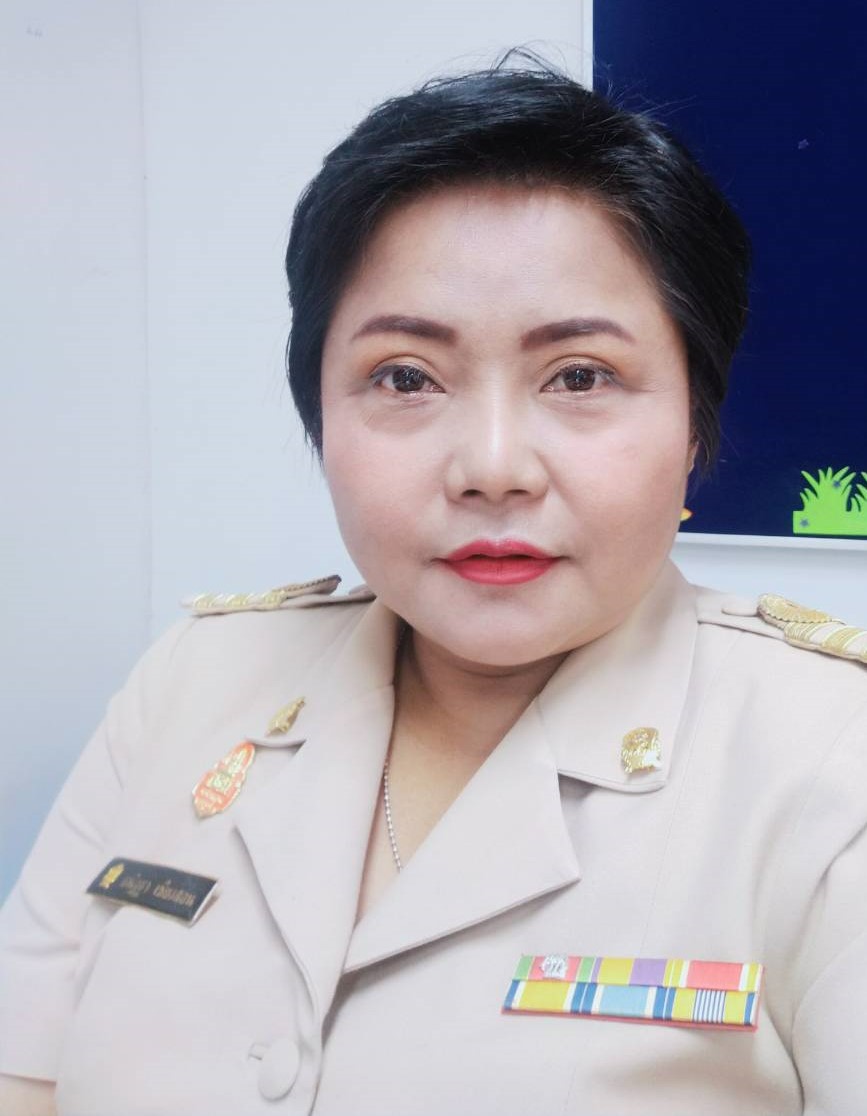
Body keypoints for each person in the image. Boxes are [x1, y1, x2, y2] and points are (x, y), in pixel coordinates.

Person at [1, 58, 866, 1116]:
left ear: (695, 427)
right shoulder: (193, 681)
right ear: (320, 416)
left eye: (579, 376)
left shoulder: (834, 759)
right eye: (405, 377)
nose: (492, 468)